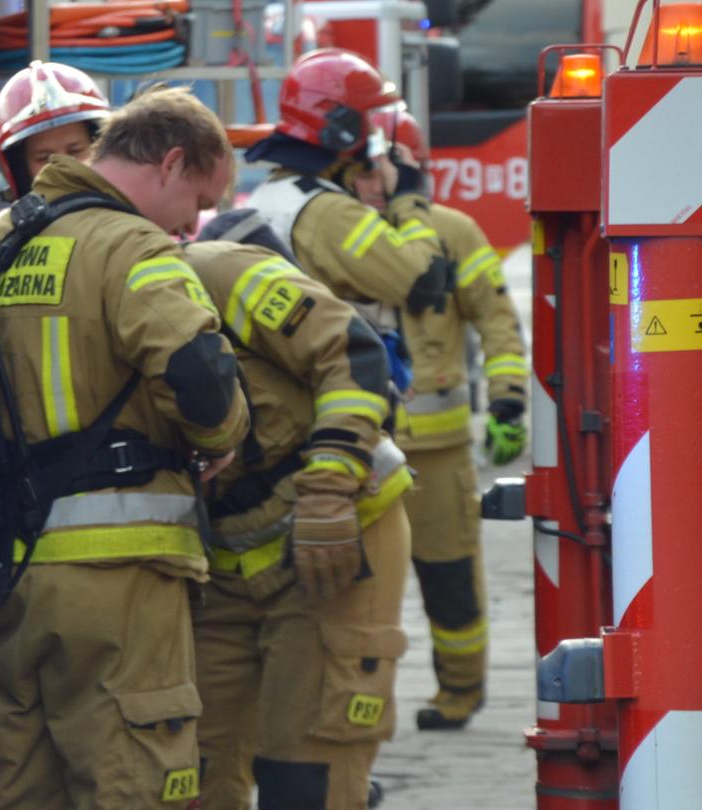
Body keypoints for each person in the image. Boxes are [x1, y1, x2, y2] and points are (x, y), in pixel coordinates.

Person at [0, 84, 251, 809]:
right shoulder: (133, 247)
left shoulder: (0, 239)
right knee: (135, 782)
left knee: (11, 786)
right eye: (200, 199)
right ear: (172, 163)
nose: (196, 221)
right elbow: (200, 377)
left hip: (11, 578)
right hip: (122, 582)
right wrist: (222, 440)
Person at [185, 210, 413, 809]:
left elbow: (357, 356)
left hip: (338, 534)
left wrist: (330, 489)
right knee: (191, 771)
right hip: (227, 565)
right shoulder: (118, 297)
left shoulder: (218, 275)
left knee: (306, 775)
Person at [350, 103, 529, 730]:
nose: (370, 181)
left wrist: (508, 398)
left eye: (381, 168)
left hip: (440, 448)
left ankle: (459, 691)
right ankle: (361, 705)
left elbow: (496, 317)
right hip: (360, 450)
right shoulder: (338, 232)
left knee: (450, 577)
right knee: (357, 593)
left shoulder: (453, 231)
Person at [240, 49, 453, 344]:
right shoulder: (331, 213)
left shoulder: (275, 192)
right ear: (342, 126)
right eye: (369, 119)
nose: (375, 133)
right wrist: (408, 193)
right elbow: (425, 284)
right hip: (335, 377)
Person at [0, 60, 112, 198]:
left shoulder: (135, 216)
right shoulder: (5, 221)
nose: (64, 169)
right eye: (45, 158)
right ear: (20, 172)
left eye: (75, 151)